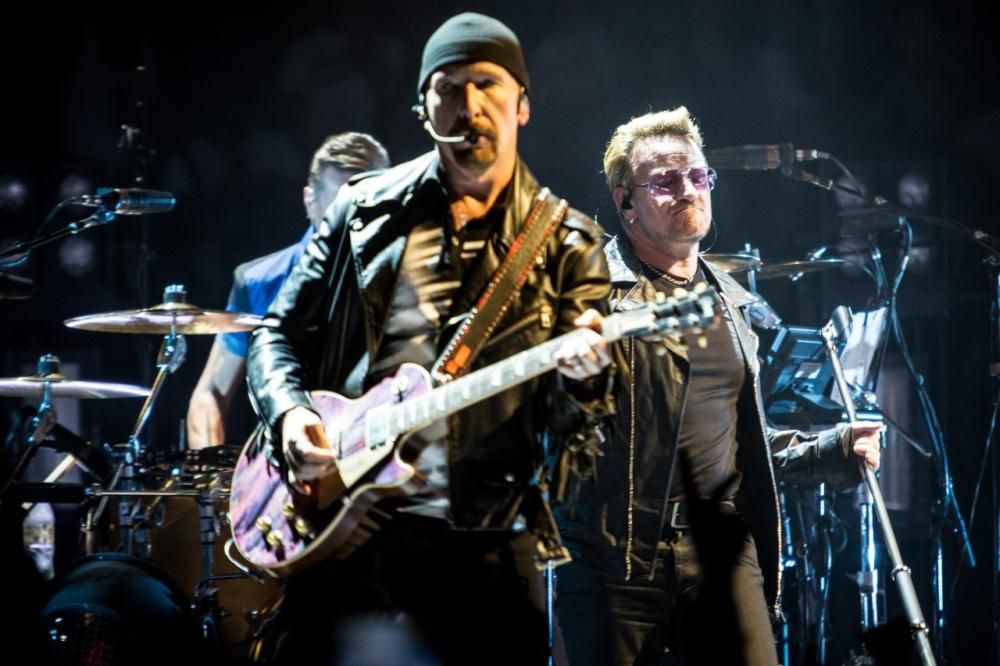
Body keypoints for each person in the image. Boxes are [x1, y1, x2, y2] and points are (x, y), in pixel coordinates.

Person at [245, 13, 613, 665]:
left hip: (485, 547)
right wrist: (291, 414)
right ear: (423, 108)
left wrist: (585, 382)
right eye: (449, 88)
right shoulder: (361, 208)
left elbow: (577, 436)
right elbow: (275, 336)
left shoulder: (568, 243)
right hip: (349, 535)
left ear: (522, 105)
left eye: (488, 84)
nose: (469, 105)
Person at [553, 106, 882, 665]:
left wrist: (833, 448)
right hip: (615, 562)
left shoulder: (732, 303)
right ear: (625, 201)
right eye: (665, 181)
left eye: (698, 176)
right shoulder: (585, 294)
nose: (688, 190)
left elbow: (738, 447)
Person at [186, 132, 390, 449]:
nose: (352, 221)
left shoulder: (408, 274)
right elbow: (210, 393)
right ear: (310, 199)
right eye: (339, 207)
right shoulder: (259, 282)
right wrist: (213, 473)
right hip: (287, 461)